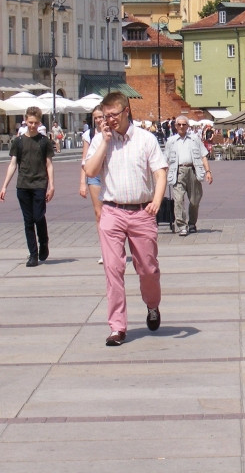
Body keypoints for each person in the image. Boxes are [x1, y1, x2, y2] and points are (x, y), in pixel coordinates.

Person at [82, 92, 168, 347]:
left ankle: (152, 305)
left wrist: (157, 201)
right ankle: (117, 327)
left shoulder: (145, 139)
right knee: (113, 269)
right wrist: (106, 142)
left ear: (126, 111)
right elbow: (90, 171)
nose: (109, 121)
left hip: (141, 212)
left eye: (113, 116)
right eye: (105, 117)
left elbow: (160, 173)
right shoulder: (100, 139)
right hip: (111, 210)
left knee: (148, 269)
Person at [0, 107, 55, 267]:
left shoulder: (44, 141)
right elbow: (12, 164)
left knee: (39, 216)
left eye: (36, 123)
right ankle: (33, 254)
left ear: (40, 122)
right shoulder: (18, 142)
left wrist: (52, 185)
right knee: (28, 221)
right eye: (30, 122)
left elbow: (49, 164)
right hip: (23, 185)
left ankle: (44, 241)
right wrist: (4, 186)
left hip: (39, 183)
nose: (33, 125)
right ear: (25, 121)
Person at [164, 115, 213, 236]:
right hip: (178, 171)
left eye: (183, 124)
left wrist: (208, 172)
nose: (181, 126)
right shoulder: (171, 141)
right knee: (178, 199)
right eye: (179, 124)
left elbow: (203, 156)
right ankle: (181, 225)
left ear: (187, 126)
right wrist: (162, 176)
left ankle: (191, 223)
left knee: (195, 200)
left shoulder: (194, 139)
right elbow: (165, 160)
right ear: (175, 126)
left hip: (193, 170)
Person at [79, 107, 105, 264]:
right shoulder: (88, 135)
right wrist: (82, 182)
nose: (99, 120)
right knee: (99, 214)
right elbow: (84, 160)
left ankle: (116, 246)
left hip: (109, 175)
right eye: (96, 117)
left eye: (101, 116)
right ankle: (104, 250)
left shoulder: (112, 132)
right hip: (94, 177)